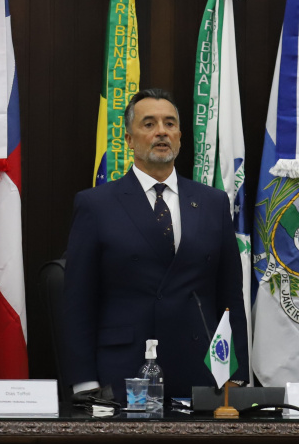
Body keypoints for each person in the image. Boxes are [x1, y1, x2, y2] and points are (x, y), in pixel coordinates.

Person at [63, 88, 249, 402]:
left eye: (170, 124)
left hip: (200, 372)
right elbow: (78, 300)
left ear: (179, 137)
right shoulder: (96, 204)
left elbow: (229, 296)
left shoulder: (212, 202)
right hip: (123, 373)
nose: (161, 131)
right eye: (148, 124)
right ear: (129, 139)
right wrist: (84, 383)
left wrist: (237, 375)